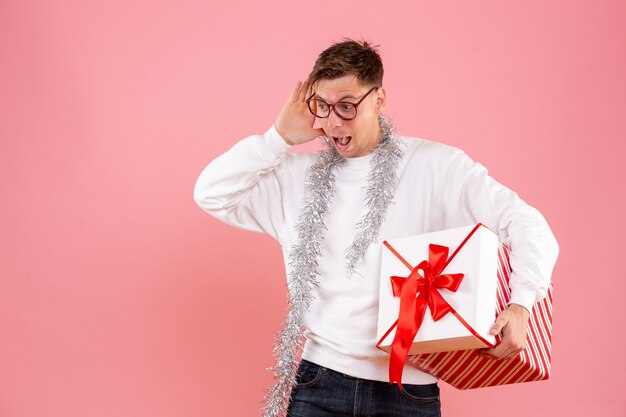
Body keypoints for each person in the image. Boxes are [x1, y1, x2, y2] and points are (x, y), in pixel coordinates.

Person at [193, 38, 559, 417]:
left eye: (347, 106)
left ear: (379, 100)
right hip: (320, 383)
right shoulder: (294, 179)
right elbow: (211, 193)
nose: (333, 122)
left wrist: (521, 304)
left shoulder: (438, 165)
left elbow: (527, 223)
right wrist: (278, 137)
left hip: (409, 392)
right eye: (323, 106)